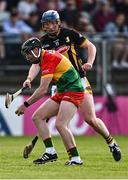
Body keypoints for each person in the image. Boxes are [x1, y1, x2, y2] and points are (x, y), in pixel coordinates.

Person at [23, 10, 121, 162]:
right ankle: (53, 152)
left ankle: (111, 143)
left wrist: (90, 62)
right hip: (59, 85)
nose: (49, 27)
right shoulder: (41, 42)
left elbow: (91, 46)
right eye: (46, 24)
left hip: (79, 81)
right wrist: (29, 78)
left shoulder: (70, 34)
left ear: (58, 23)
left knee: (90, 119)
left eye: (52, 23)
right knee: (48, 119)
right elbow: (36, 63)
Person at [15, 37, 85, 165]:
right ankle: (50, 152)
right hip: (63, 91)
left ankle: (76, 159)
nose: (27, 56)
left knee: (60, 124)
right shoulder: (42, 56)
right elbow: (35, 66)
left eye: (29, 53)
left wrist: (25, 105)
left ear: (36, 50)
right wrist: (29, 78)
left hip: (74, 90)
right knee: (37, 117)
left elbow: (42, 90)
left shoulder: (48, 58)